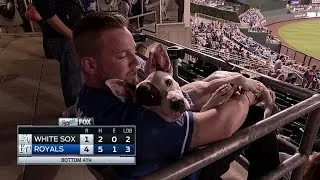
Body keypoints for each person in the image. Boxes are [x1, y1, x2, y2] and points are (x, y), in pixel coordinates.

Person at [73, 13, 280, 179]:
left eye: (133, 51)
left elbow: (186, 95)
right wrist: (252, 93)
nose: (136, 62)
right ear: (90, 64)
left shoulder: (86, 99)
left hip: (141, 165)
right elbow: (222, 124)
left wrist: (217, 82)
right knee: (255, 113)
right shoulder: (138, 125)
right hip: (182, 171)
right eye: (122, 56)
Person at [33, 0, 84, 113]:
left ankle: (79, 110)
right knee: (73, 78)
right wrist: (72, 35)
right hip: (64, 38)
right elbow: (47, 13)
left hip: (69, 36)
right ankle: (74, 116)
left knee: (77, 76)